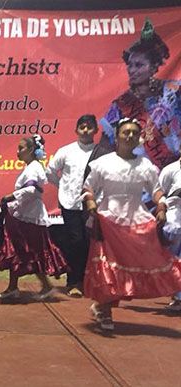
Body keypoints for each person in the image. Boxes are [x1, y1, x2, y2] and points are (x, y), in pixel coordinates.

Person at [83, 118, 181, 331]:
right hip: (108, 219)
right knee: (107, 267)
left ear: (139, 138)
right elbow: (88, 188)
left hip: (137, 220)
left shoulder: (145, 165)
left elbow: (157, 191)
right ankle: (105, 311)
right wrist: (91, 205)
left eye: (134, 133)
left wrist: (162, 207)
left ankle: (101, 306)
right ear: (117, 136)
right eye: (125, 132)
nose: (130, 136)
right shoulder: (102, 163)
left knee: (144, 262)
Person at [0, 135, 68, 301]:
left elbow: (31, 191)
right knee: (18, 250)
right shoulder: (31, 167)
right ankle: (14, 287)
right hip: (23, 216)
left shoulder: (34, 168)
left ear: (32, 150)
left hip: (28, 218)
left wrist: (10, 197)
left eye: (21, 148)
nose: (18, 151)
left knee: (29, 251)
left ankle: (44, 285)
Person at [100, 19, 180, 170]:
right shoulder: (121, 104)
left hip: (174, 172)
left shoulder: (173, 92)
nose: (132, 70)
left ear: (153, 67)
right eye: (130, 65)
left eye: (139, 65)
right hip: (137, 175)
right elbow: (105, 146)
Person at [46, 114, 98, 297]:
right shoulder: (66, 151)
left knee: (89, 242)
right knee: (75, 241)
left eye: (89, 127)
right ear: (76, 130)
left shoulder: (102, 152)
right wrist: (63, 186)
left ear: (96, 130)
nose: (85, 130)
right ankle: (74, 281)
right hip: (70, 203)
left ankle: (87, 280)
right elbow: (50, 171)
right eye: (82, 127)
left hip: (92, 205)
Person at [156, 153, 181, 312]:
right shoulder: (170, 170)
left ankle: (179, 297)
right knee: (172, 261)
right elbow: (159, 193)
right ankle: (175, 295)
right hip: (173, 221)